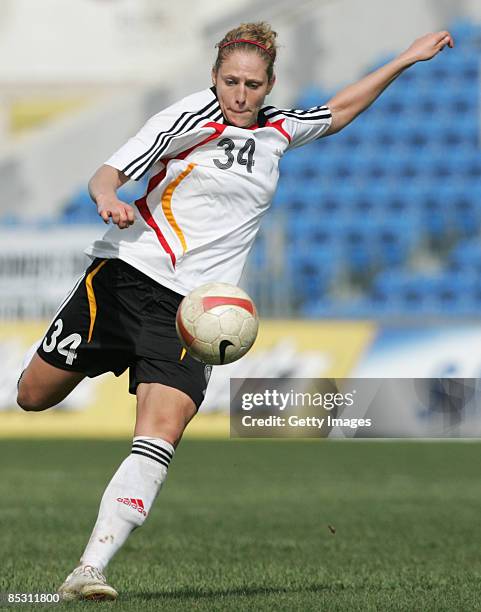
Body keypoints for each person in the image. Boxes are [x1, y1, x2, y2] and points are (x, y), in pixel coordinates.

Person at [16, 22, 453, 601]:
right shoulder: (184, 121)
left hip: (192, 310)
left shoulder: (277, 129)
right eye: (230, 82)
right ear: (214, 78)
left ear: (270, 84)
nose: (240, 94)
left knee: (159, 434)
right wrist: (107, 199)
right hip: (123, 280)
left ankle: (89, 569)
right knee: (32, 395)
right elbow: (110, 171)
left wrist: (404, 59)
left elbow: (340, 110)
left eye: (252, 84)